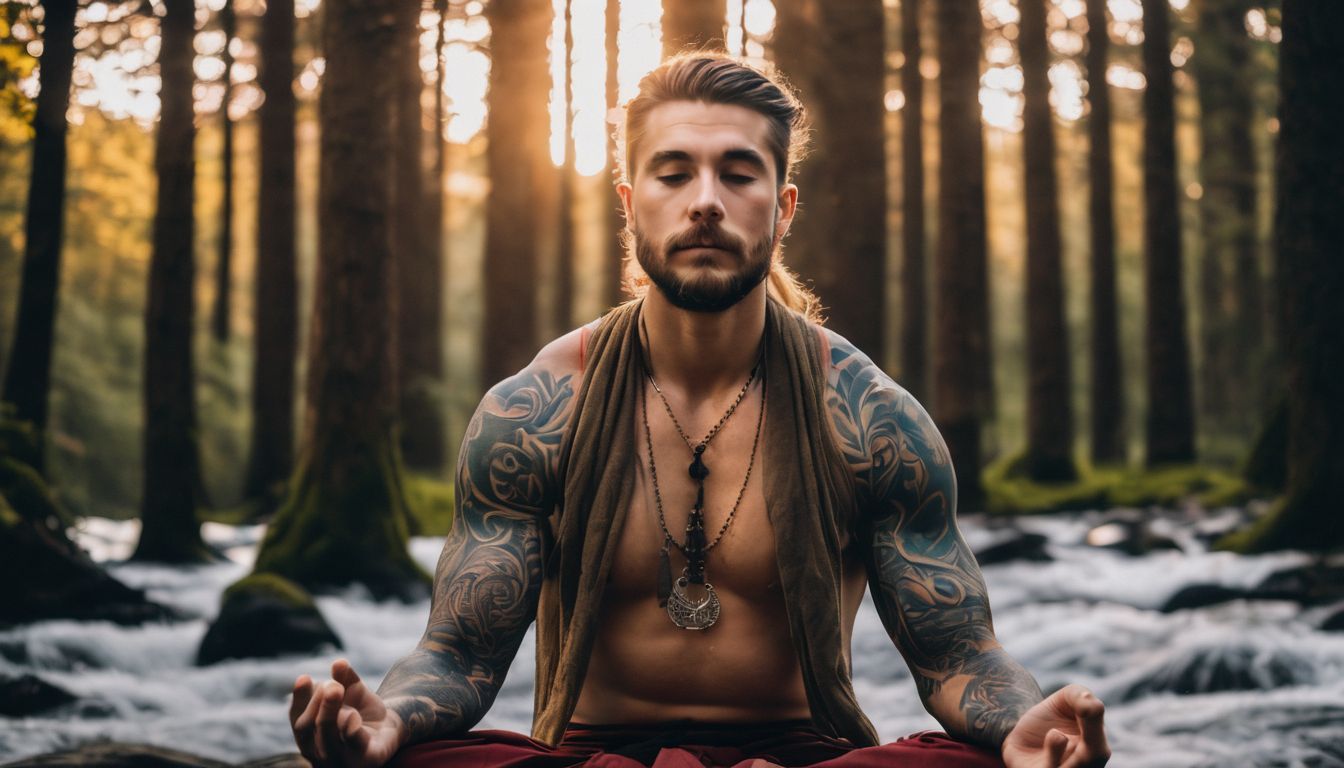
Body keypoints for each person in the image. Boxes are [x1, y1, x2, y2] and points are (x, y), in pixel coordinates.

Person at [288, 53, 1110, 768]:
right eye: (674, 172)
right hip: (592, 755)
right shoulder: (536, 410)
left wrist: (1020, 723)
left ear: (782, 208)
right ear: (630, 200)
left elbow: (957, 654)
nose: (706, 201)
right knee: (399, 761)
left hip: (800, 757)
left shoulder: (869, 418)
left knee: (984, 765)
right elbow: (460, 653)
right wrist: (389, 717)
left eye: (738, 173)